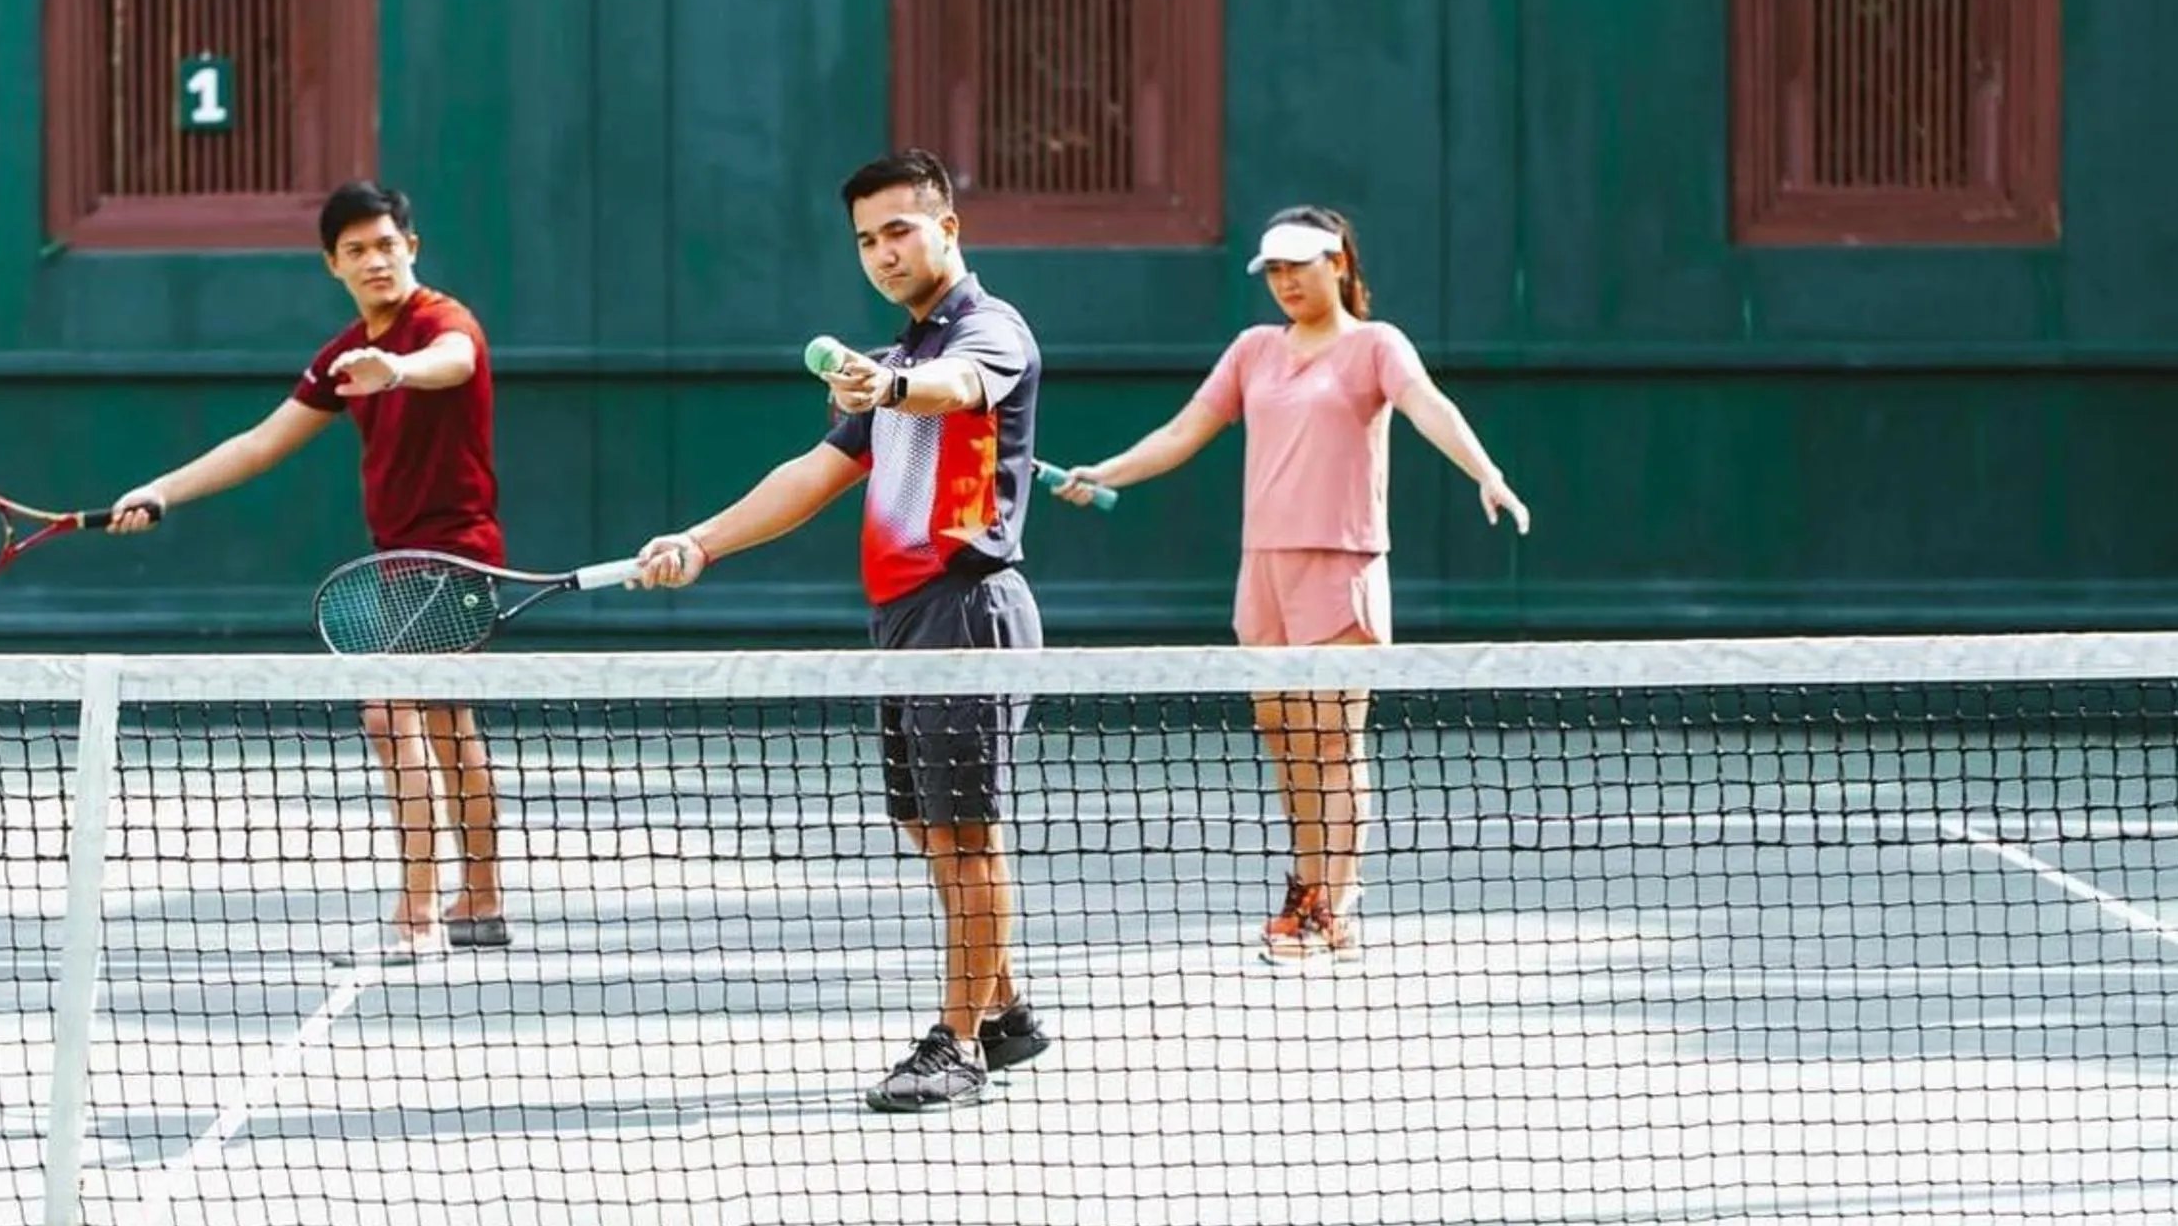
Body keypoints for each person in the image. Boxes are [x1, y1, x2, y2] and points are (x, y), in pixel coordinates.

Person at [632, 148, 1051, 1113]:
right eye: (866, 239)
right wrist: (701, 543)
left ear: (949, 227)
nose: (883, 253)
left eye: (901, 229)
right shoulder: (891, 361)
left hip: (967, 609)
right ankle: (1006, 1009)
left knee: (966, 835)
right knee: (927, 825)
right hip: (902, 620)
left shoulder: (990, 333)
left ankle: (960, 1047)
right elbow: (810, 477)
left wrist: (892, 389)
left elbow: (957, 388)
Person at [1051, 206, 1529, 964]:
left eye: (1298, 266)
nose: (1284, 282)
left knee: (1333, 744)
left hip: (1343, 566)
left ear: (1338, 262)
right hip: (1263, 571)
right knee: (1286, 741)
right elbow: (1182, 432)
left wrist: (1487, 474)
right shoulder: (1251, 351)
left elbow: (1429, 405)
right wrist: (1104, 471)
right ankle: (1306, 891)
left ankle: (1333, 907)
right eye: (1273, 270)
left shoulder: (1377, 346)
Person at [107, 179, 510, 966]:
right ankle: (481, 901)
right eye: (355, 250)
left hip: (452, 553)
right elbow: (260, 444)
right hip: (400, 559)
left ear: (412, 249)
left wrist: (395, 373)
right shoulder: (341, 355)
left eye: (386, 245)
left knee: (390, 716)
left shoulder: (441, 323)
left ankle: (418, 916)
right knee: (445, 724)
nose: (375, 261)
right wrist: (160, 491)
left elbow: (453, 362)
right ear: (333, 264)